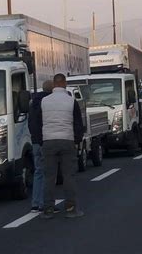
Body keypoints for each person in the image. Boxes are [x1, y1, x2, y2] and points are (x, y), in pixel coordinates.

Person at [39, 73, 84, 219]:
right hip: (67, 140)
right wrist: (76, 140)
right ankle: (71, 209)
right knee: (68, 176)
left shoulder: (44, 101)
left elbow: (38, 122)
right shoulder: (71, 101)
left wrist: (41, 140)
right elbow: (78, 124)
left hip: (48, 141)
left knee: (49, 177)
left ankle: (48, 210)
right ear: (64, 83)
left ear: (53, 84)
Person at [28, 80, 54, 213]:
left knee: (38, 172)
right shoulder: (48, 103)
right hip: (46, 140)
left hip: (35, 142)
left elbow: (30, 123)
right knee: (48, 173)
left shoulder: (32, 103)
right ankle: (45, 203)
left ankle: (35, 203)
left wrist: (34, 138)